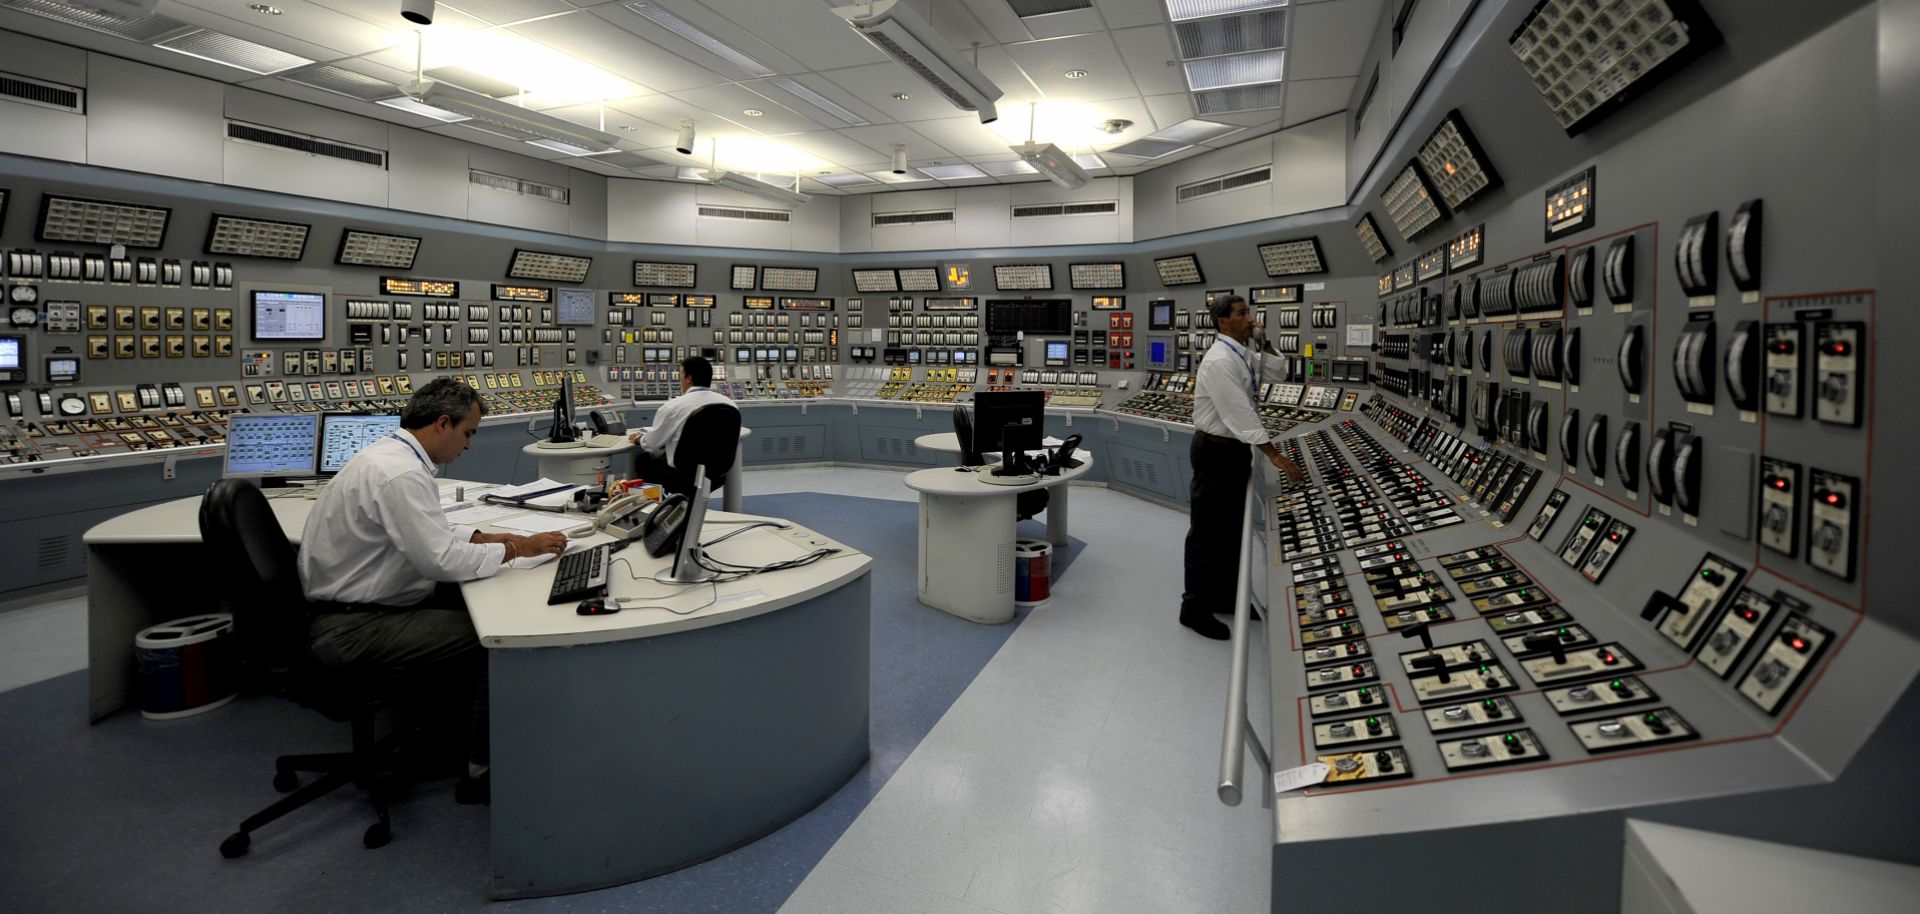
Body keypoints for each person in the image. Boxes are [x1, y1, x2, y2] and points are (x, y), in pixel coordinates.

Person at [298, 377, 566, 801]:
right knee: (493, 640)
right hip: (353, 627)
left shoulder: (388, 457)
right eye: (468, 433)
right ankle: (480, 772)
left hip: (353, 606)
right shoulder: (400, 473)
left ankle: (446, 728)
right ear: (444, 423)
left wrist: (483, 538)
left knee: (469, 602)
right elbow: (440, 561)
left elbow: (427, 533)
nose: (469, 446)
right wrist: (517, 548)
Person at [1181, 295, 1306, 640]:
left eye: (1249, 312)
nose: (1249, 318)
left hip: (1233, 452)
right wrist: (1274, 455)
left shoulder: (1241, 352)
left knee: (1231, 532)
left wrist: (1263, 339)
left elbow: (1277, 370)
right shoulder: (1220, 360)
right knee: (1207, 535)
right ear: (1223, 322)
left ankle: (1225, 597)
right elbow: (1240, 413)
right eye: (1242, 314)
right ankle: (1194, 607)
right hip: (1214, 452)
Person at [627, 355, 737, 494]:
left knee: (643, 460)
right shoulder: (729, 404)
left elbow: (652, 445)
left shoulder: (673, 407)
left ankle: (653, 509)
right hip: (716, 474)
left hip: (682, 475)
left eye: (681, 375)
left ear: (688, 378)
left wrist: (639, 438)